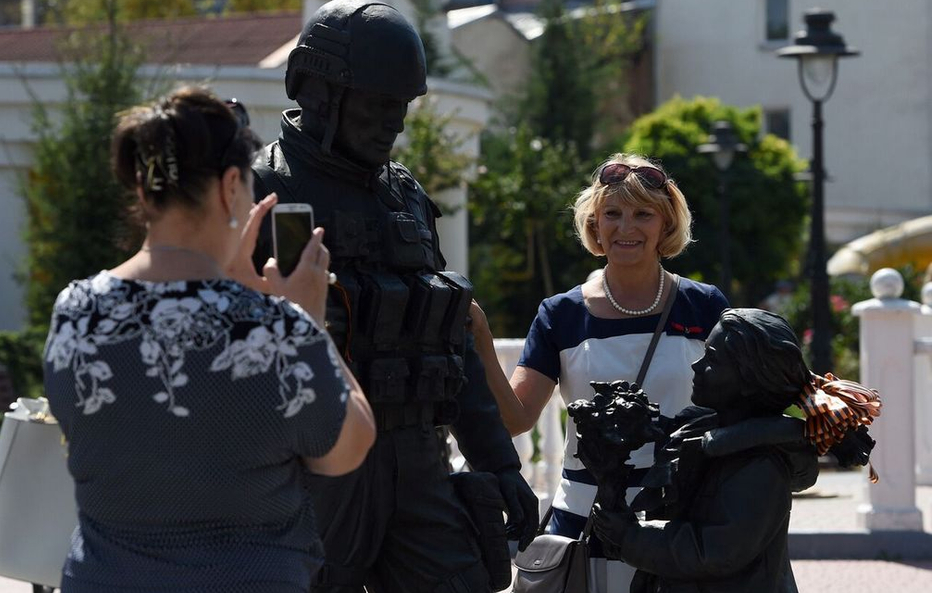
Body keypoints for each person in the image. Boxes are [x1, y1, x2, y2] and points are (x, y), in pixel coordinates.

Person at [250, 2, 538, 592]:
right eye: (381, 105)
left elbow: (445, 334)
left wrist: (499, 463)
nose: (396, 124)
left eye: (402, 107)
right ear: (322, 93)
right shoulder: (266, 192)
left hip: (418, 461)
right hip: (316, 466)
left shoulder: (403, 196)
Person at [42, 86, 375, 593]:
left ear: (144, 189)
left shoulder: (76, 312)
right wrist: (306, 317)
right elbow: (346, 447)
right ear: (230, 187)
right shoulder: (275, 328)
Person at [470, 153, 729, 591]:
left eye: (642, 214)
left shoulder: (705, 306)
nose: (625, 228)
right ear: (594, 224)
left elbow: (743, 404)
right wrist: (479, 339)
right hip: (585, 524)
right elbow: (516, 418)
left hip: (682, 520)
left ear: (666, 225)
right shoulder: (561, 314)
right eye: (612, 213)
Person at [591, 308, 880, 592]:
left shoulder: (760, 464)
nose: (696, 365)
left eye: (712, 359)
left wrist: (631, 538)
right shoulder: (700, 434)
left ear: (749, 381)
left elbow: (715, 552)